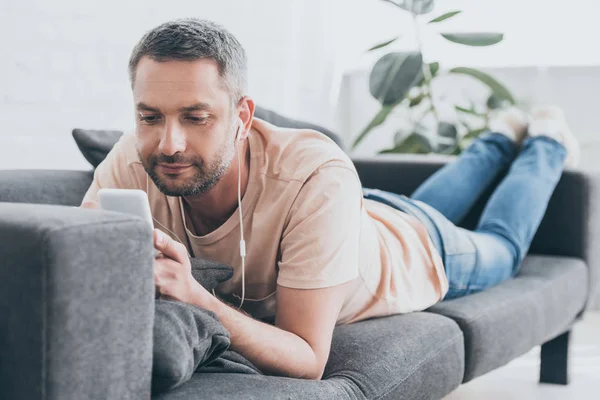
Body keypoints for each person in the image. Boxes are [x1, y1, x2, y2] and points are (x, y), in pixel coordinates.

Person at [80, 18, 580, 380]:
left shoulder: (314, 174)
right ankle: (497, 138)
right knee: (417, 203)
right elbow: (76, 272)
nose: (168, 144)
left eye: (196, 116)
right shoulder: (130, 160)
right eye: (150, 117)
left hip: (420, 249)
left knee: (502, 244)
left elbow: (307, 358)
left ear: (242, 115)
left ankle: (545, 143)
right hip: (363, 214)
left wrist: (192, 295)